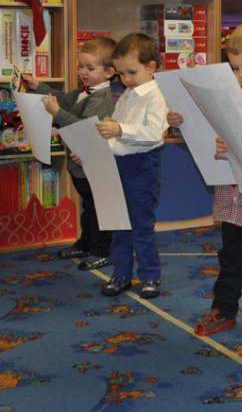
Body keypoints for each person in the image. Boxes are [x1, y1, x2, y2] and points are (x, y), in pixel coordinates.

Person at [167, 21, 242, 341]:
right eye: (234, 68)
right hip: (232, 194)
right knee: (230, 257)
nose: (241, 75)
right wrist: (180, 122)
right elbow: (203, 130)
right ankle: (223, 309)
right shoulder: (228, 97)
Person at [22, 37, 117, 270]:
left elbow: (84, 127)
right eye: (80, 66)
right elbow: (64, 100)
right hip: (79, 165)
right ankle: (86, 243)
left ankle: (102, 250)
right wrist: (38, 86)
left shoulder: (101, 98)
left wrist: (57, 113)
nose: (83, 72)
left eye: (90, 68)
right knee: (88, 207)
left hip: (93, 164)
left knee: (100, 210)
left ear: (109, 73)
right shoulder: (85, 90)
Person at [96, 33, 168, 299]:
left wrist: (120, 129)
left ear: (151, 67)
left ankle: (150, 276)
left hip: (142, 166)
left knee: (141, 225)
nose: (125, 79)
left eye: (131, 72)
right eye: (121, 74)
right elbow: (113, 131)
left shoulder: (156, 96)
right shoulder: (127, 95)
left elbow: (154, 134)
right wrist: (98, 146)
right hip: (119, 163)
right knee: (119, 223)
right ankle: (121, 274)